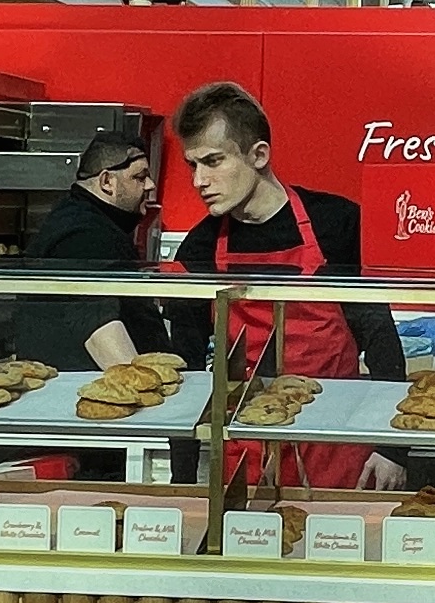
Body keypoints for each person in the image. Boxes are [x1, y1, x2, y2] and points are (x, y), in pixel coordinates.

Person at [167, 80, 404, 493]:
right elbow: (187, 377)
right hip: (246, 448)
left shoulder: (336, 224)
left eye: (213, 161)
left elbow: (379, 337)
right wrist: (182, 482)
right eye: (193, 165)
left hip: (336, 440)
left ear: (259, 155)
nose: (199, 180)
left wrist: (393, 448)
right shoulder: (200, 248)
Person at [10, 127, 173, 374]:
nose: (150, 185)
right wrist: (143, 386)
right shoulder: (86, 236)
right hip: (89, 388)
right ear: (107, 181)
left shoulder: (77, 219)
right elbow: (99, 329)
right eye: (140, 177)